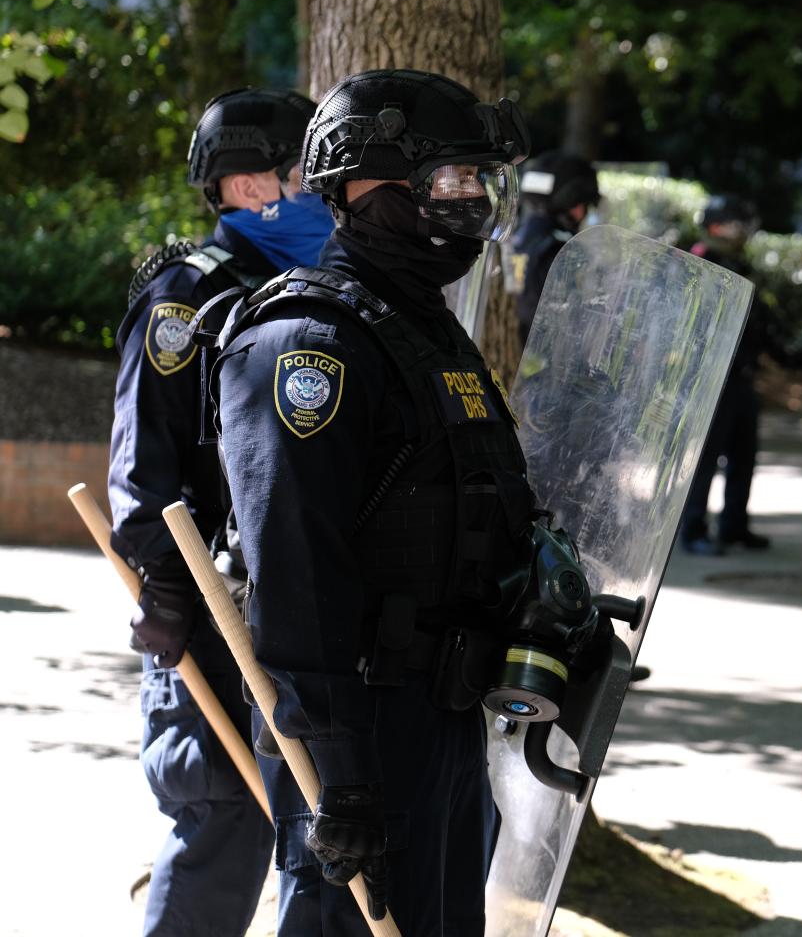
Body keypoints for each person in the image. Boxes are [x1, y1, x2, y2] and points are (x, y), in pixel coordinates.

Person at [207, 69, 534, 934]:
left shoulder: (422, 327)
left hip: (444, 714)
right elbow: (295, 571)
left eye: (478, 181)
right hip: (360, 732)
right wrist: (339, 769)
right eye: (449, 181)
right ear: (365, 187)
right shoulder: (310, 343)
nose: (469, 201)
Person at [108, 87, 331, 936]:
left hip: (303, 618)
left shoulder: (318, 292)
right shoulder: (186, 298)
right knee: (224, 820)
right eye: (307, 174)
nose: (324, 193)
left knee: (316, 833)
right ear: (249, 187)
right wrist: (167, 588)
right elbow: (145, 470)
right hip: (210, 615)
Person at [679, 194, 772, 554]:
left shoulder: (737, 262)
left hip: (741, 375)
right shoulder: (704, 259)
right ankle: (694, 531)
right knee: (706, 460)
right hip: (712, 377)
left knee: (743, 456)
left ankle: (734, 526)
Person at [511, 150, 600, 348]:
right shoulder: (564, 253)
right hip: (538, 361)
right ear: (573, 202)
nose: (582, 213)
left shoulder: (513, 240)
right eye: (583, 204)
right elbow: (575, 325)